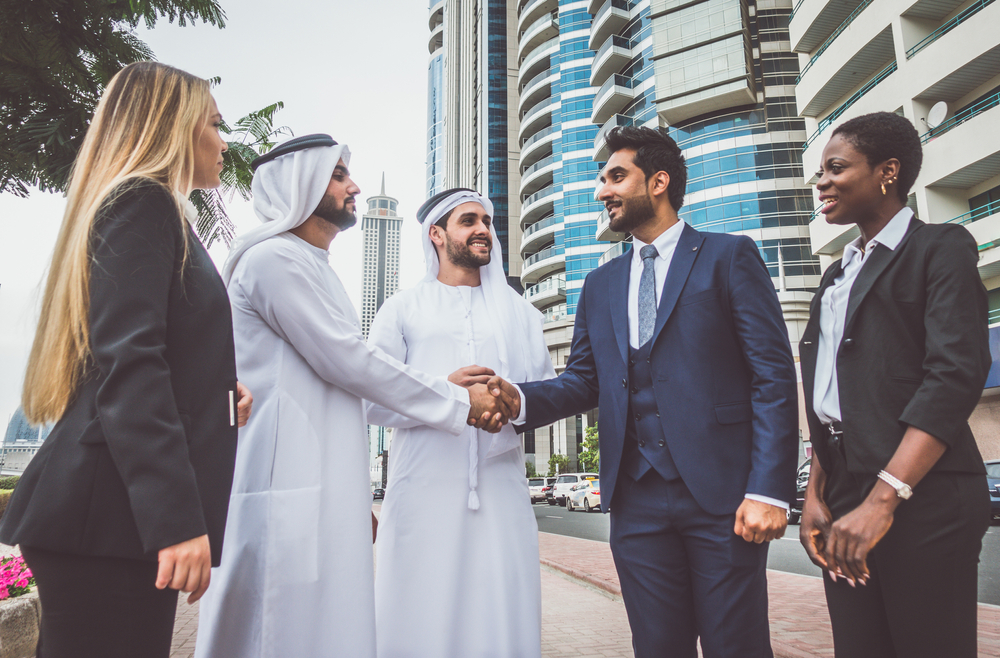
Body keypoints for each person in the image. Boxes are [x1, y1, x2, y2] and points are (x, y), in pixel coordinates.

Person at [194, 137, 512, 658]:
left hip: (317, 486)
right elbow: (348, 360)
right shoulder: (273, 260)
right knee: (266, 631)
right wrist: (457, 401)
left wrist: (351, 496)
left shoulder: (312, 265)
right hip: (279, 488)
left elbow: (339, 384)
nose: (354, 186)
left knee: (318, 631)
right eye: (339, 174)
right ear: (300, 184)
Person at [490, 126, 799, 657]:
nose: (601, 191)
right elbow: (585, 380)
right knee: (656, 647)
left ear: (658, 182)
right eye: (601, 178)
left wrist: (769, 490)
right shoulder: (600, 284)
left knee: (737, 646)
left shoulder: (728, 256)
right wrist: (520, 399)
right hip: (635, 499)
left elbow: (771, 376)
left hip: (723, 496)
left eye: (615, 176)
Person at [0, 62, 253, 658]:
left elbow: (144, 355)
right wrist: (176, 520)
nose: (224, 141)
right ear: (174, 127)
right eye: (215, 125)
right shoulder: (144, 203)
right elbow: (130, 365)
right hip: (109, 518)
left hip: (111, 518)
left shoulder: (145, 209)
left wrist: (215, 399)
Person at [798, 111, 990, 657]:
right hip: (844, 494)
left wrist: (884, 500)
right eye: (820, 171)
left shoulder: (940, 248)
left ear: (888, 171)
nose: (822, 181)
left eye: (836, 168)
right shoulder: (836, 275)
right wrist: (816, 493)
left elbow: (954, 376)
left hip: (921, 496)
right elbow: (830, 398)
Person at [367, 188, 556, 658]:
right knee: (417, 613)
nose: (483, 230)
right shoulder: (402, 308)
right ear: (436, 234)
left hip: (502, 489)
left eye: (487, 222)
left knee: (502, 613)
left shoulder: (522, 314)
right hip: (421, 489)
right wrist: (447, 392)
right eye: (468, 221)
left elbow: (546, 393)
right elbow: (369, 401)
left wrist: (509, 402)